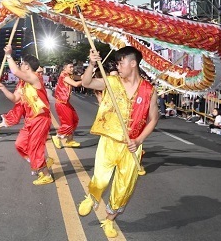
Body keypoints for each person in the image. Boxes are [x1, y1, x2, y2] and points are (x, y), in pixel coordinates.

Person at [77, 46, 159, 238]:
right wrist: (91, 63)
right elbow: (86, 82)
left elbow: (153, 119)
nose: (118, 66)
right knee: (100, 177)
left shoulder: (149, 90)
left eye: (121, 63)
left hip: (132, 147)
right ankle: (92, 196)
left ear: (133, 63)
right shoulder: (111, 82)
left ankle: (109, 219)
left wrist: (139, 140)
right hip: (109, 141)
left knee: (123, 188)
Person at [0, 45, 53, 185]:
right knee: (19, 144)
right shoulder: (24, 84)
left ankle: (45, 174)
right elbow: (15, 98)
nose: (20, 66)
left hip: (40, 119)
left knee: (35, 147)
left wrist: (8, 55)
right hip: (30, 120)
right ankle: (39, 162)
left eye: (22, 64)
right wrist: (3, 88)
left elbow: (14, 70)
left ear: (27, 67)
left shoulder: (34, 78)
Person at [51, 60, 83, 148]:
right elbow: (76, 84)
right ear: (65, 68)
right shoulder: (64, 75)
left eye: (73, 67)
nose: (72, 69)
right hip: (61, 103)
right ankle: (57, 137)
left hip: (65, 103)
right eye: (70, 67)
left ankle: (70, 140)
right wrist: (85, 81)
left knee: (74, 120)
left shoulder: (69, 75)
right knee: (67, 124)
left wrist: (86, 76)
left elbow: (79, 77)